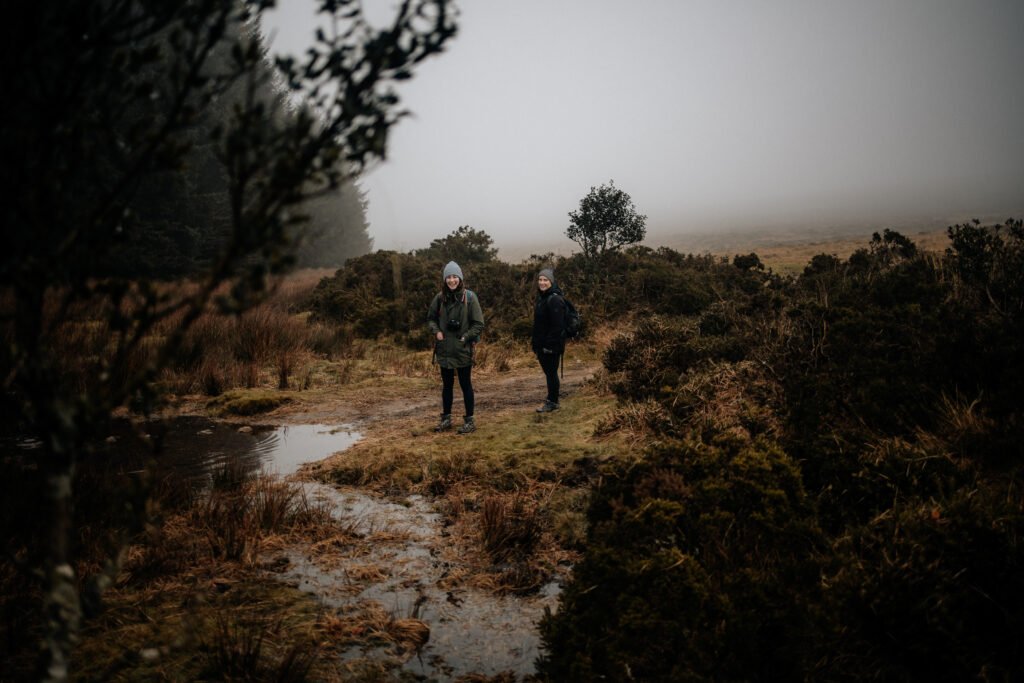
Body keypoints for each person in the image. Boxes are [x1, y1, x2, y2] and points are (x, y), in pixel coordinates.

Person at [427, 261, 485, 433]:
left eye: (455, 277)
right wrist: (436, 331)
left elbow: (479, 324)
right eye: (448, 277)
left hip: (463, 349)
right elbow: (430, 319)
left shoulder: (470, 298)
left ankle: (470, 421)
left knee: (466, 384)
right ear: (444, 279)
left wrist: (465, 337)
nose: (452, 280)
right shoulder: (439, 298)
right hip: (444, 349)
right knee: (447, 385)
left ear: (460, 278)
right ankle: (446, 419)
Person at [532, 267, 566, 413]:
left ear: (551, 282)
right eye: (540, 279)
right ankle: (552, 399)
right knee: (550, 373)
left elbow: (557, 326)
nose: (542, 282)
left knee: (551, 373)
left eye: (545, 280)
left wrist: (548, 346)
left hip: (551, 346)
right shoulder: (543, 298)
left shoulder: (555, 299)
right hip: (542, 345)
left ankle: (553, 402)